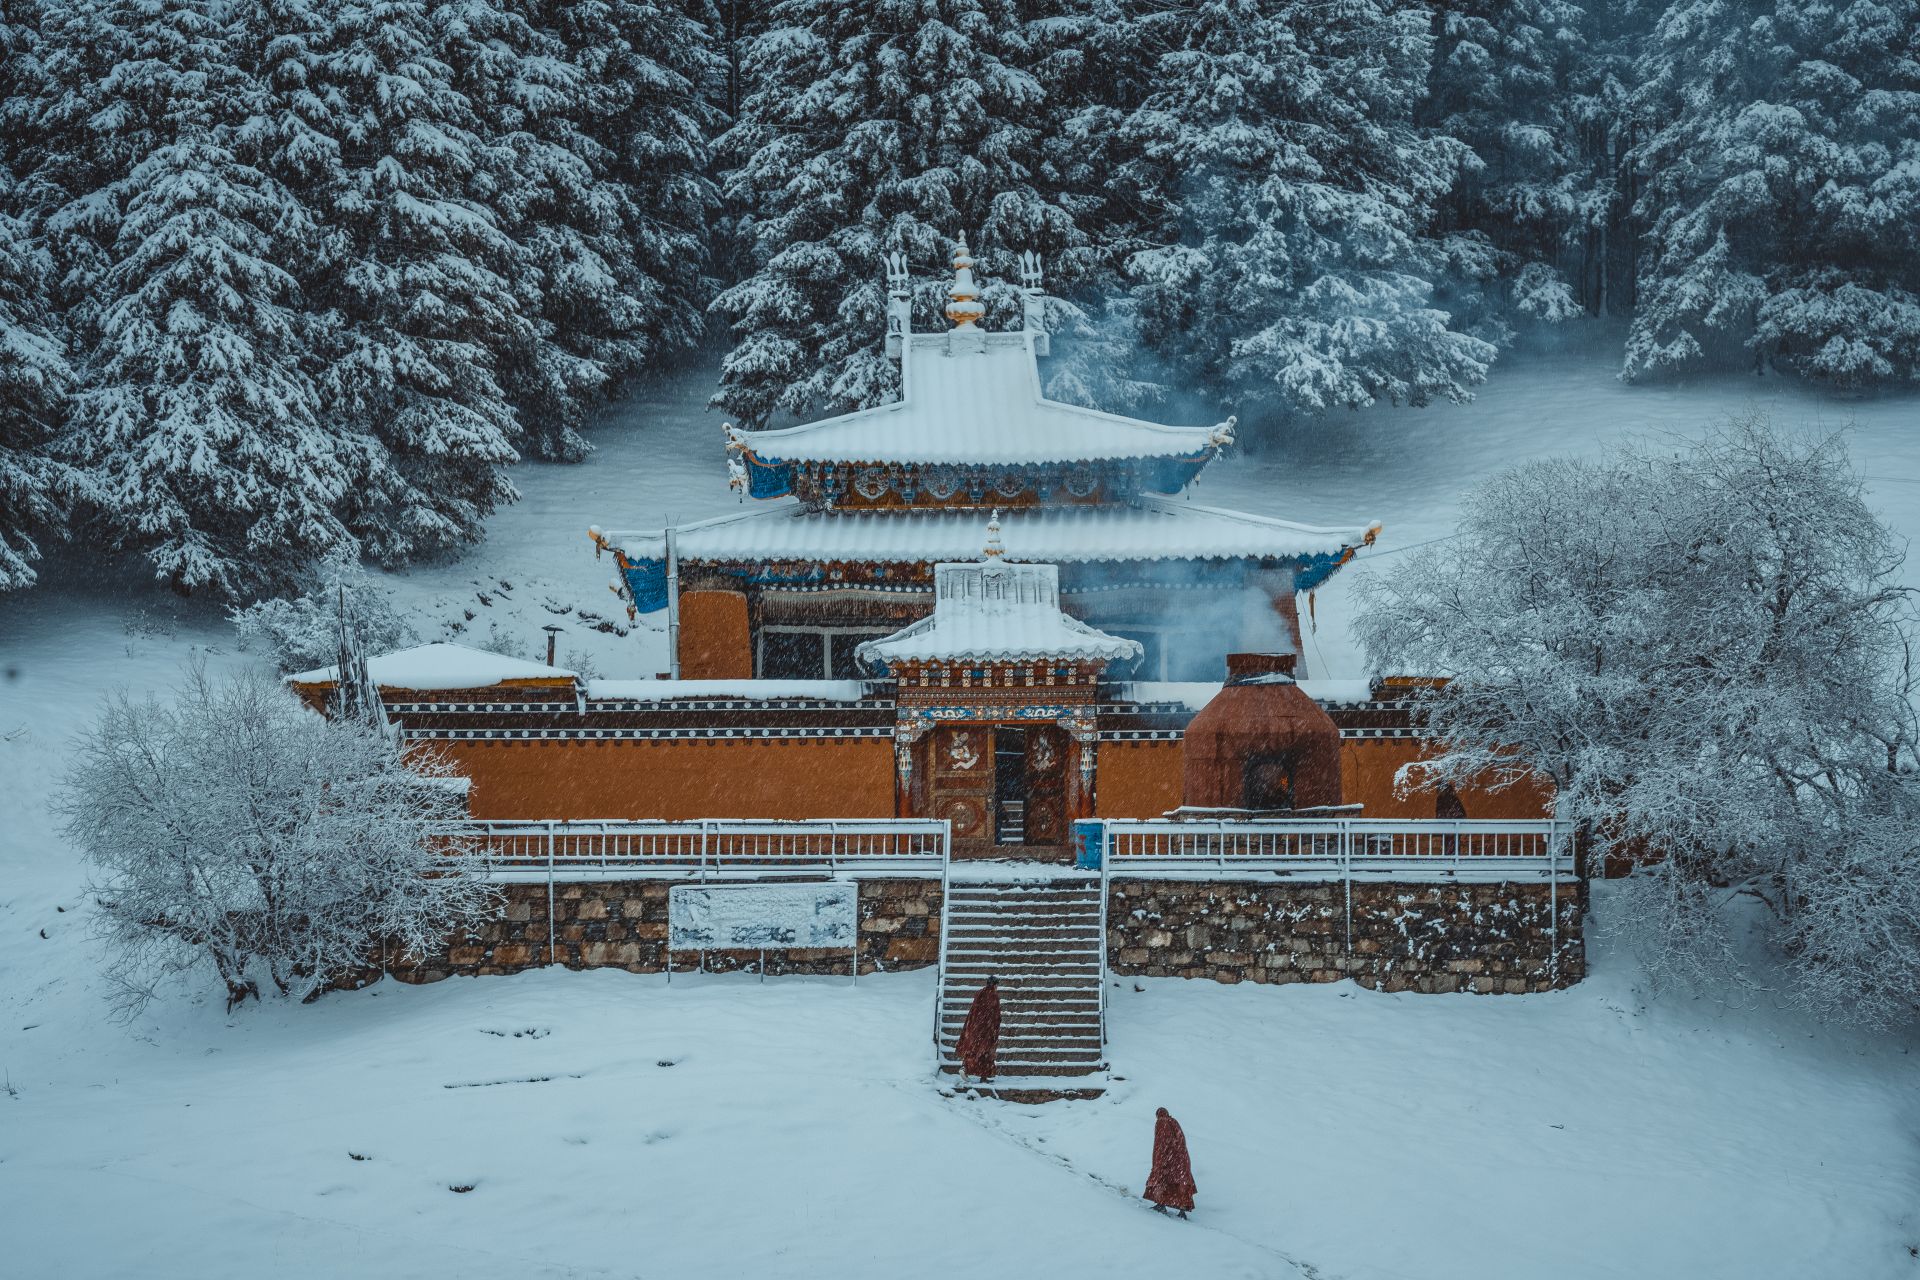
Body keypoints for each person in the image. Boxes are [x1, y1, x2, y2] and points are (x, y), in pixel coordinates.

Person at [1144, 1107, 1196, 1217]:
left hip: (1169, 1159)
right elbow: (1180, 1141)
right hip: (1181, 1159)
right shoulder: (1174, 1122)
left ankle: (1161, 1204)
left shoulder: (1161, 1122)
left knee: (1162, 1180)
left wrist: (1159, 1160)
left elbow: (1161, 1143)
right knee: (1181, 1183)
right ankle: (1182, 1211)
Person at [956, 975, 1000, 1081]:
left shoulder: (979, 993)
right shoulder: (993, 996)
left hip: (974, 1027)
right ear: (994, 985)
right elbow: (995, 1015)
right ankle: (983, 1076)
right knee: (985, 1052)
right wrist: (994, 1027)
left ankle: (965, 1067)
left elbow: (974, 1010)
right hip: (986, 1029)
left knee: (973, 1050)